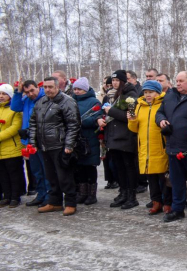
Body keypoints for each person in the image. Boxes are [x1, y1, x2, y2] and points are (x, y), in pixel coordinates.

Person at [157, 71, 187, 222]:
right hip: (173, 145)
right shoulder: (170, 95)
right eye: (176, 81)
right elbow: (159, 113)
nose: (177, 83)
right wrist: (161, 120)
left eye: (181, 81)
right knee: (176, 180)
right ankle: (177, 209)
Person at [28, 77, 80, 216]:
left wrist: (69, 145)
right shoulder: (41, 102)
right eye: (45, 87)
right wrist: (33, 143)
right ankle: (55, 201)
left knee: (65, 176)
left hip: (60, 145)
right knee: (50, 176)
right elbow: (33, 123)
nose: (47, 90)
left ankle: (70, 203)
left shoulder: (67, 101)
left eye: (50, 87)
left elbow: (73, 125)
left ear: (57, 87)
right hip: (44, 145)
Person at [99, 70, 140, 210]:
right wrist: (100, 118)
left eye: (117, 81)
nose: (114, 83)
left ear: (124, 81)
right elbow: (102, 111)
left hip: (126, 136)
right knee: (118, 167)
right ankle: (123, 192)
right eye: (113, 81)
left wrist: (110, 111)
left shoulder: (131, 95)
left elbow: (131, 116)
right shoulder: (110, 95)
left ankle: (131, 196)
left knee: (129, 167)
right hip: (112, 135)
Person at [128, 80, 170, 215]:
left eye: (151, 92)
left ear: (158, 92)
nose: (148, 95)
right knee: (151, 178)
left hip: (160, 146)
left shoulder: (164, 104)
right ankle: (156, 201)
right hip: (145, 148)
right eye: (146, 92)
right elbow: (134, 129)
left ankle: (168, 202)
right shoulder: (139, 106)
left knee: (164, 178)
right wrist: (132, 120)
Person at [11, 79, 49, 207]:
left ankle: (49, 196)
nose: (30, 94)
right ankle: (41, 194)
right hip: (29, 141)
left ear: (38, 87)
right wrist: (18, 92)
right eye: (27, 92)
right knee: (36, 170)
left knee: (46, 170)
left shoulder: (45, 98)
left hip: (42, 140)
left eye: (32, 90)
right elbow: (15, 107)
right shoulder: (27, 100)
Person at [71, 77, 101, 206]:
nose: (77, 91)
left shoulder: (93, 102)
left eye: (80, 89)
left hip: (89, 139)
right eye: (75, 89)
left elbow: (96, 118)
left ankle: (91, 194)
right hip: (76, 139)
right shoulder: (71, 101)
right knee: (79, 167)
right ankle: (82, 193)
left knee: (89, 167)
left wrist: (79, 122)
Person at [0, 83, 24, 208]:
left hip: (12, 148)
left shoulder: (15, 109)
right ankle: (6, 196)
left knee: (14, 174)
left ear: (10, 96)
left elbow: (14, 128)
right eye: (0, 94)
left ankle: (15, 197)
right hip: (1, 150)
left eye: (4, 94)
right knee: (3, 174)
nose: (1, 96)